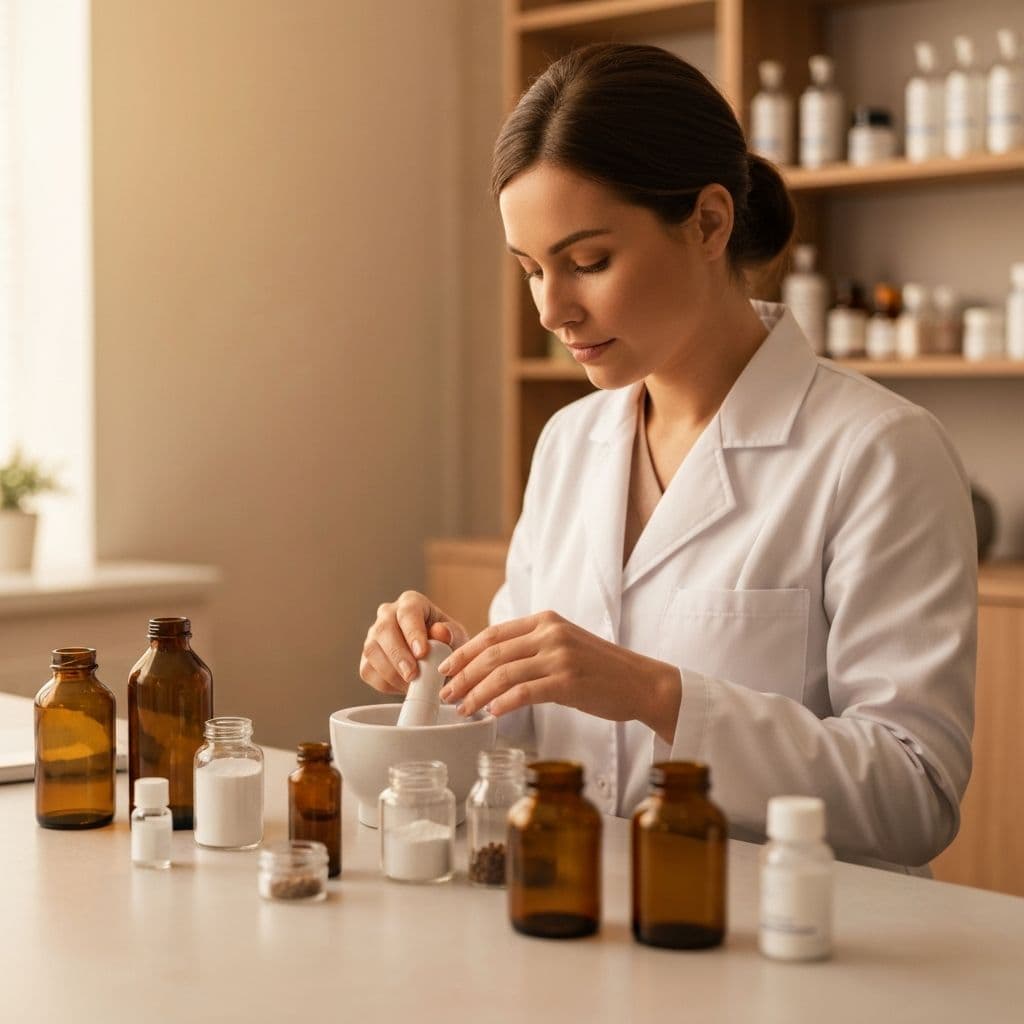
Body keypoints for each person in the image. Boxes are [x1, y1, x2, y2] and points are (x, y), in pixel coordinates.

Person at [359, 43, 976, 874]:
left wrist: (658, 696)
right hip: (582, 920)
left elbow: (914, 795)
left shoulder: (877, 452)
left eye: (588, 262)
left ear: (710, 222)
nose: (551, 309)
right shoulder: (569, 443)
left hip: (786, 957)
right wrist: (445, 669)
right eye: (531, 271)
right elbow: (527, 737)